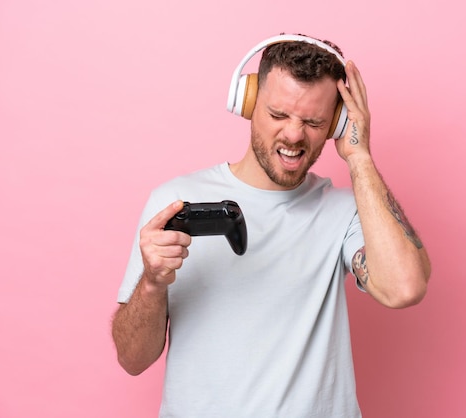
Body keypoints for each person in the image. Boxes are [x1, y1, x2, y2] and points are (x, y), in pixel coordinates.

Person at [112, 33, 431, 418]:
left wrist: (359, 156)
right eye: (278, 115)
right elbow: (133, 360)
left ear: (336, 123)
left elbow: (405, 287)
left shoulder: (346, 212)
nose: (294, 135)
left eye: (313, 121)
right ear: (247, 103)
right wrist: (151, 282)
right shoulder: (175, 203)